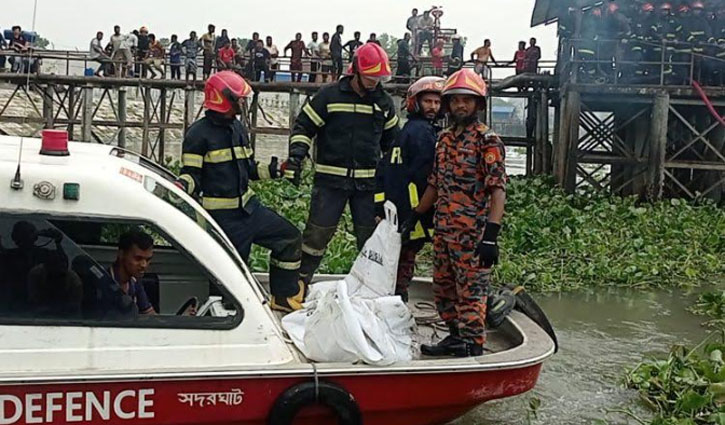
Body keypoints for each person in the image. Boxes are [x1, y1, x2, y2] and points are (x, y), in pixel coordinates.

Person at [178, 71, 304, 312]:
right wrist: (181, 186)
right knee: (230, 282)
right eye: (240, 99)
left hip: (250, 211)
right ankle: (223, 322)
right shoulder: (197, 135)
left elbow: (248, 168)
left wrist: (277, 170)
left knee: (289, 238)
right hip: (224, 222)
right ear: (224, 99)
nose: (243, 103)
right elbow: (192, 174)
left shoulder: (237, 128)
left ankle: (283, 295)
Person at [404, 68, 507, 357]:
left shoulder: (488, 141)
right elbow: (435, 182)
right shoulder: (445, 139)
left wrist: (491, 236)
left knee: (471, 293)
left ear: (478, 104)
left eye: (468, 100)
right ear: (448, 104)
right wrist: (416, 214)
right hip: (444, 230)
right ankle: (453, 336)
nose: (461, 105)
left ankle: (472, 346)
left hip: (472, 235)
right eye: (456, 100)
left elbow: (497, 189)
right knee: (444, 288)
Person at [285, 43, 400, 286]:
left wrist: (394, 184)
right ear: (356, 70)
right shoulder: (329, 96)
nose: (374, 83)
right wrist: (296, 155)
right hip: (330, 183)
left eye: (379, 78)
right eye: (370, 77)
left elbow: (393, 146)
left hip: (368, 187)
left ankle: (370, 289)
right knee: (316, 236)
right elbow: (304, 126)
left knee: (370, 240)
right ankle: (300, 285)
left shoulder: (384, 103)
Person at [375, 76, 444, 302]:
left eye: (437, 102)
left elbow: (384, 171)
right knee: (405, 260)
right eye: (428, 102)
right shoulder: (424, 134)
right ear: (416, 102)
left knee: (397, 258)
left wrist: (378, 206)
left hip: (396, 210)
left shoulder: (406, 131)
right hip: (413, 212)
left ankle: (392, 299)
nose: (433, 107)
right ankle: (397, 303)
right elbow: (428, 178)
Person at [108, 229, 156, 315]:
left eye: (148, 260)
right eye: (138, 258)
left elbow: (150, 315)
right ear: (121, 254)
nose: (144, 265)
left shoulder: (135, 282)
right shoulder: (103, 282)